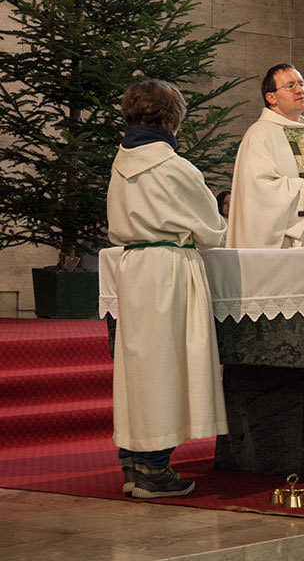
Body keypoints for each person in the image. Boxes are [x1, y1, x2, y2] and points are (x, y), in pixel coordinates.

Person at [107, 79, 228, 498]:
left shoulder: (121, 161)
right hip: (169, 269)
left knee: (140, 367)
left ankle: (133, 464)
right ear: (173, 118)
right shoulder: (175, 167)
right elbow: (211, 230)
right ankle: (154, 469)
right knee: (168, 366)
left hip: (134, 267)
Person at [226, 63, 304, 248]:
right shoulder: (259, 134)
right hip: (285, 240)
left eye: (302, 84)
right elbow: (258, 191)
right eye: (290, 86)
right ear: (271, 97)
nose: (299, 90)